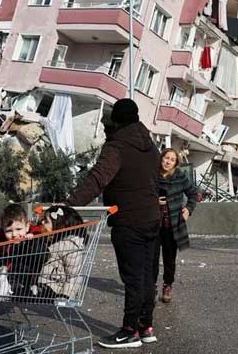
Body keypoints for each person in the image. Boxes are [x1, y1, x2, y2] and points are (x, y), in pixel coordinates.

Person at [66, 98, 160, 349]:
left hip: (129, 220)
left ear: (116, 121)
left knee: (133, 278)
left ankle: (130, 331)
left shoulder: (117, 146)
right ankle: (145, 326)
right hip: (152, 218)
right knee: (147, 277)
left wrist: (69, 205)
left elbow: (97, 178)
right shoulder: (151, 147)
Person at [154, 149, 197, 304]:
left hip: (173, 224)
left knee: (169, 258)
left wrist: (188, 209)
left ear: (175, 163)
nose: (168, 162)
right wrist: (155, 201)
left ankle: (167, 285)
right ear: (161, 159)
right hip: (154, 223)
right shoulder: (152, 175)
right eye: (166, 158)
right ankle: (152, 287)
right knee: (152, 258)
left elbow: (193, 193)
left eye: (172, 160)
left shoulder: (180, 176)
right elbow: (144, 193)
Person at [37, 206, 86, 300]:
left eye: (46, 221)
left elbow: (74, 276)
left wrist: (65, 295)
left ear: (59, 225)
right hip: (47, 283)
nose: (42, 223)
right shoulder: (52, 241)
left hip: (55, 288)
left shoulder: (69, 246)